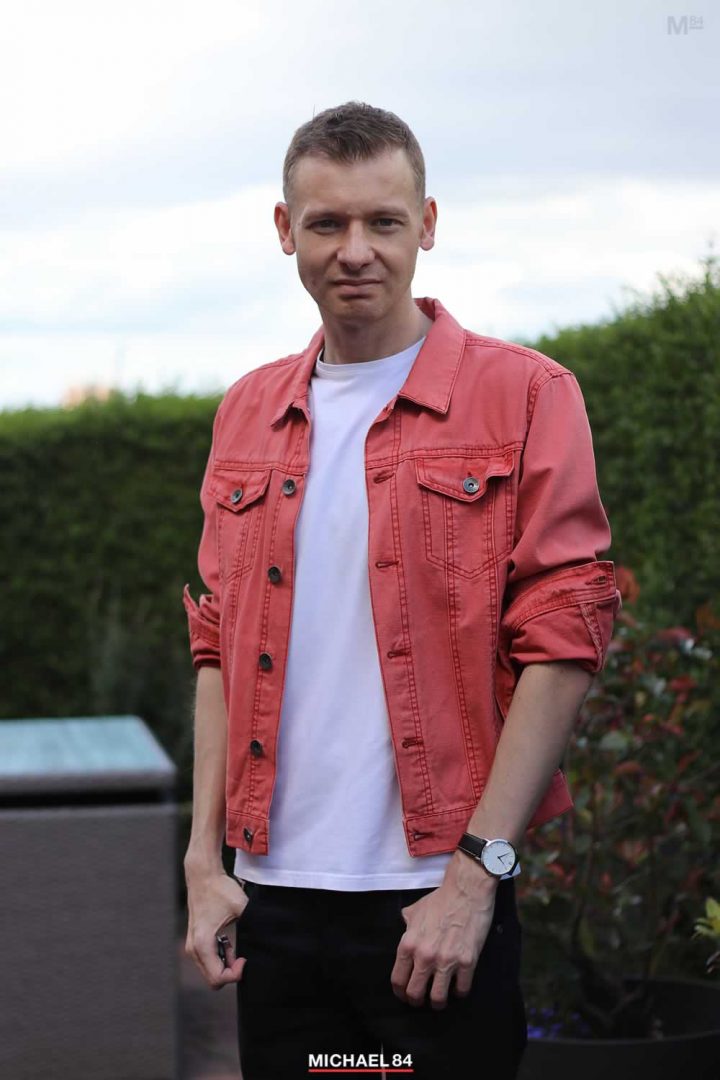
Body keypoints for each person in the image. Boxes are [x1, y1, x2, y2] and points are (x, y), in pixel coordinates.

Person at [182, 101, 620, 1080]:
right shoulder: (248, 412)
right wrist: (203, 866)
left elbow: (564, 641)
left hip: (433, 899)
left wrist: (477, 876)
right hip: (273, 900)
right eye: (328, 223)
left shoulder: (527, 396)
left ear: (426, 224)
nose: (356, 250)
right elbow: (215, 644)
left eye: (383, 221)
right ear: (284, 230)